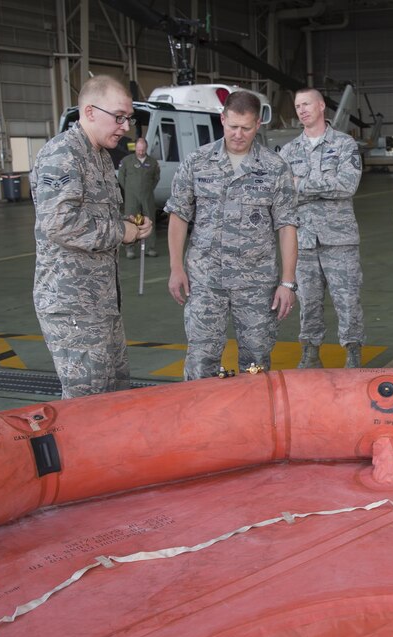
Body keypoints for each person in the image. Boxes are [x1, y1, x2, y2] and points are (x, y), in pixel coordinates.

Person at [30, 75, 152, 398]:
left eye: (129, 118)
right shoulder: (63, 155)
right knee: (88, 403)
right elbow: (59, 223)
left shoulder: (99, 156)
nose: (125, 126)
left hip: (101, 303)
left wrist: (129, 225)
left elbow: (95, 217)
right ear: (90, 112)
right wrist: (119, 231)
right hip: (73, 306)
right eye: (119, 117)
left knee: (114, 391)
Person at [165, 90, 298, 380]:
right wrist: (176, 268)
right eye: (232, 126)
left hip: (256, 284)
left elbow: (287, 226)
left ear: (258, 125)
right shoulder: (197, 162)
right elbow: (179, 216)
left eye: (246, 128)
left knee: (256, 362)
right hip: (205, 282)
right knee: (201, 359)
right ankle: (201, 423)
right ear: (222, 119)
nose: (238, 134)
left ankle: (255, 423)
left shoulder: (275, 168)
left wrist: (287, 282)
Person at [279, 88, 364, 369]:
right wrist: (317, 189)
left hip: (339, 240)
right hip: (303, 241)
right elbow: (283, 194)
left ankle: (353, 352)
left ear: (321, 106)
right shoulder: (289, 151)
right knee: (308, 304)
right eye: (297, 105)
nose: (301, 110)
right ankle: (311, 352)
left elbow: (347, 185)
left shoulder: (344, 145)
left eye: (306, 104)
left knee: (348, 300)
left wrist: (301, 185)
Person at [117, 137, 160, 259]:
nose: (140, 152)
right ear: (135, 148)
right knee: (131, 220)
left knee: (149, 220)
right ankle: (130, 249)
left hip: (147, 196)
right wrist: (130, 190)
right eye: (138, 149)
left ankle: (150, 248)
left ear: (146, 148)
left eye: (143, 150)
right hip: (132, 197)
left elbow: (156, 178)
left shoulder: (153, 162)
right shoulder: (126, 161)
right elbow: (121, 178)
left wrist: (148, 189)